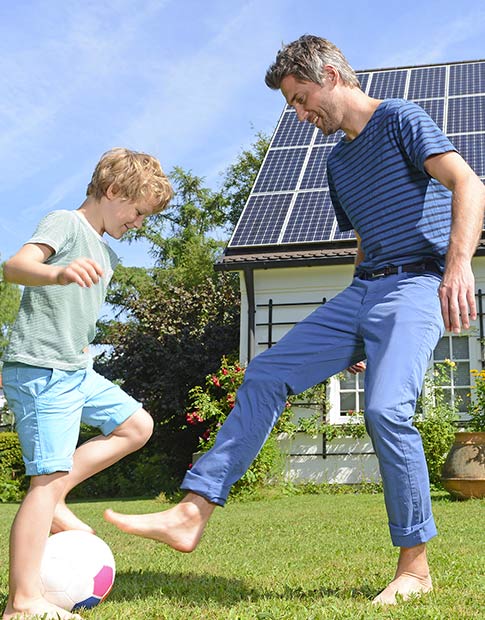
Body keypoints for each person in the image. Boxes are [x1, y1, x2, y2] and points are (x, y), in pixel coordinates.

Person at [104, 36, 485, 605]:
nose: (300, 114)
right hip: (365, 290)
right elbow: (364, 242)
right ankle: (192, 511)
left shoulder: (402, 118)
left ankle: (415, 567)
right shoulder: (337, 163)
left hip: (417, 283)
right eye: (292, 105)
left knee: (385, 410)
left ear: (331, 75)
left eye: (301, 99)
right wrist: (352, 327)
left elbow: (468, 183)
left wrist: (457, 268)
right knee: (264, 374)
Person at [1, 147, 173, 620]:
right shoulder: (66, 223)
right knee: (46, 478)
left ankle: (53, 498)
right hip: (41, 369)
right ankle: (22, 601)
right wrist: (56, 272)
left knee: (136, 425)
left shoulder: (103, 249)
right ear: (113, 191)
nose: (138, 223)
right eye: (137, 212)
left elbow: (75, 316)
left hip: (75, 369)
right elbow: (15, 266)